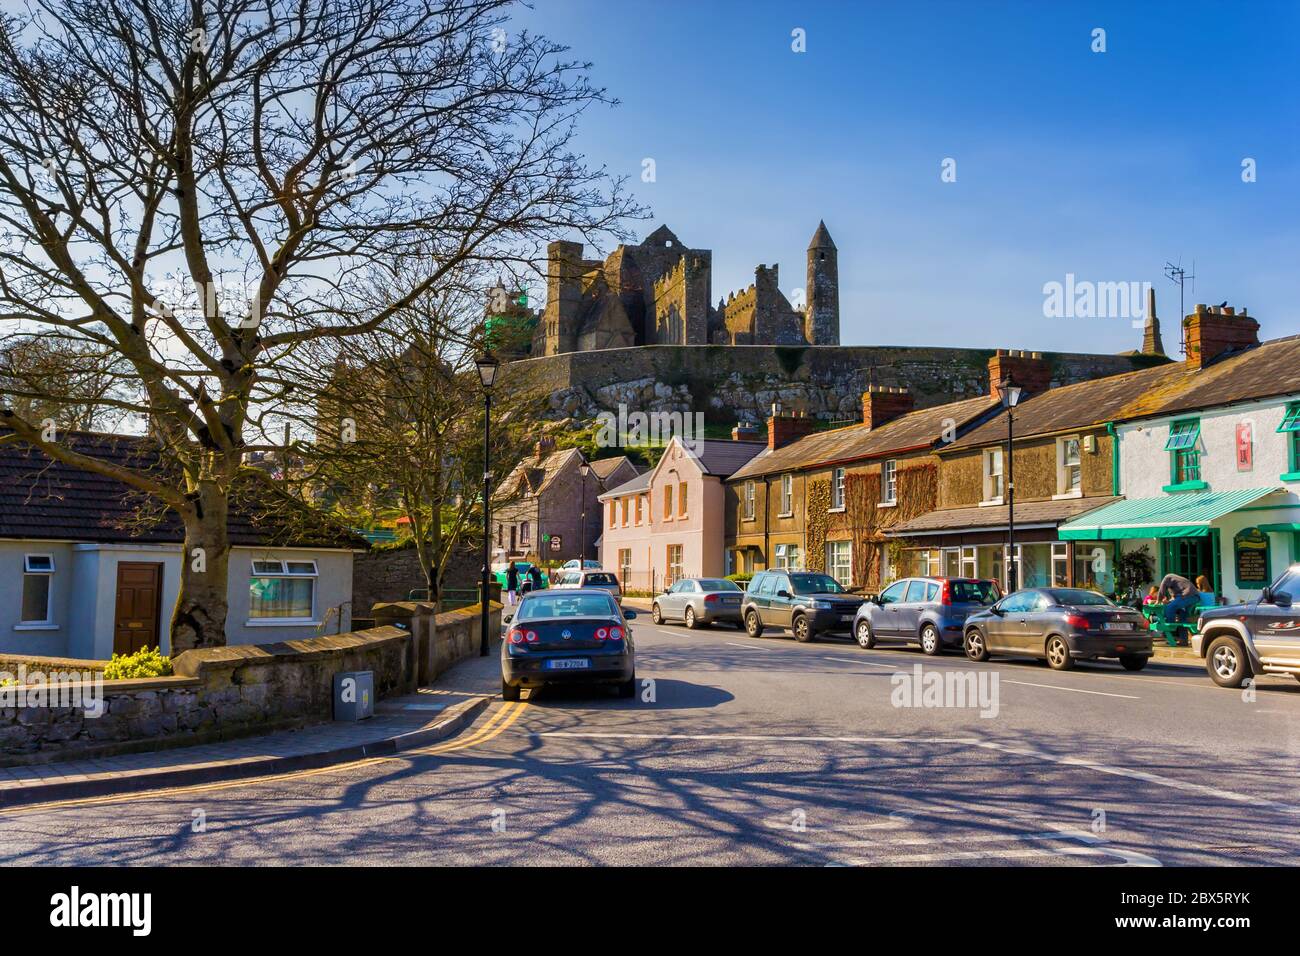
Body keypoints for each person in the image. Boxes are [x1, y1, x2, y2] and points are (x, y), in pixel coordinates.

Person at [1156, 572, 1199, 641]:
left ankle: (1171, 630)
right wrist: (1169, 601)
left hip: (1187, 595)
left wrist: (1158, 600)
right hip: (1194, 597)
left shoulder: (1167, 577)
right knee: (1182, 617)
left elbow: (1162, 588)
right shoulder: (1177, 582)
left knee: (1169, 608)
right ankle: (1183, 640)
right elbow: (1176, 599)